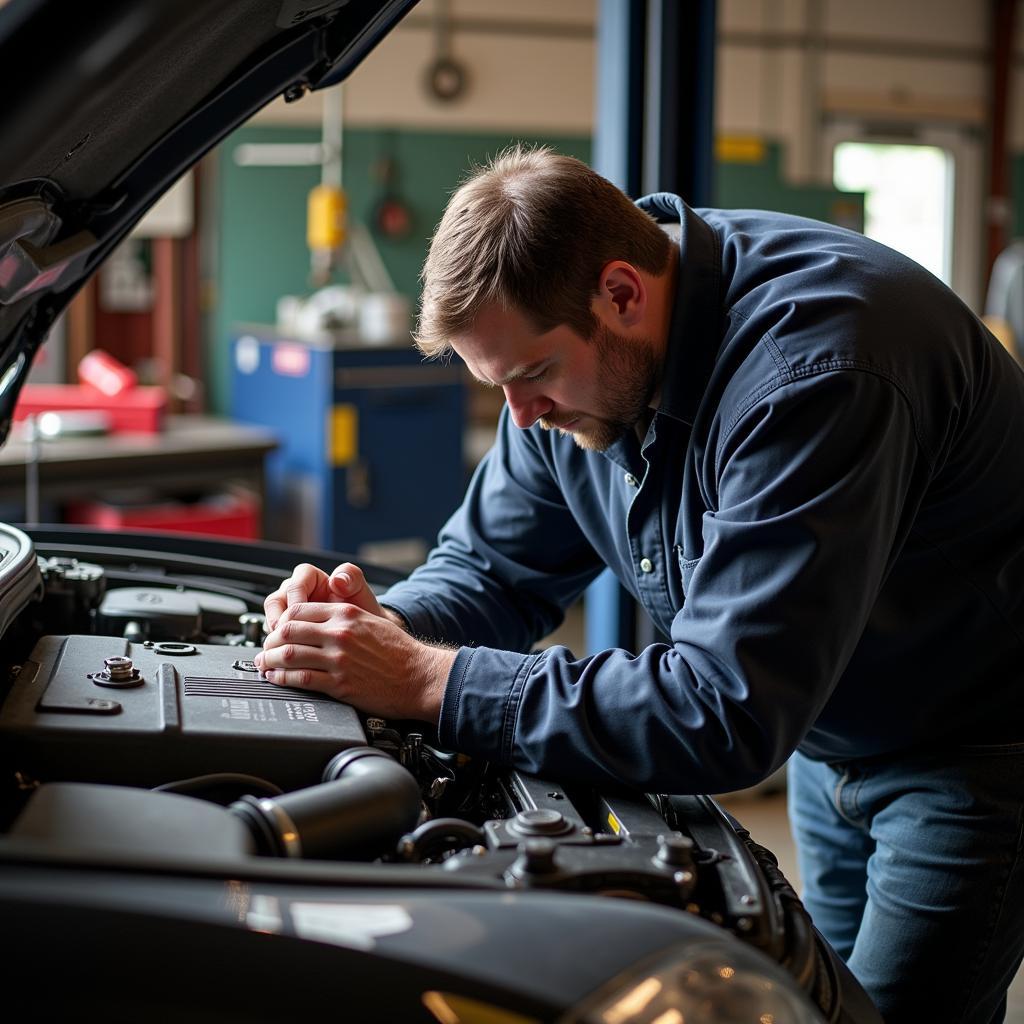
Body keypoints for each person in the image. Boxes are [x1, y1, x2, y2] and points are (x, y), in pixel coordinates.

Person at [255, 146, 1024, 1022]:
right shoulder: (572, 370)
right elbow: (493, 570)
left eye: (534, 376)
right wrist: (373, 627)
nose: (523, 418)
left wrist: (427, 679)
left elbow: (724, 706)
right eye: (498, 387)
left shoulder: (818, 371)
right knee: (823, 1003)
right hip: (831, 730)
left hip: (974, 751)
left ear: (621, 292)